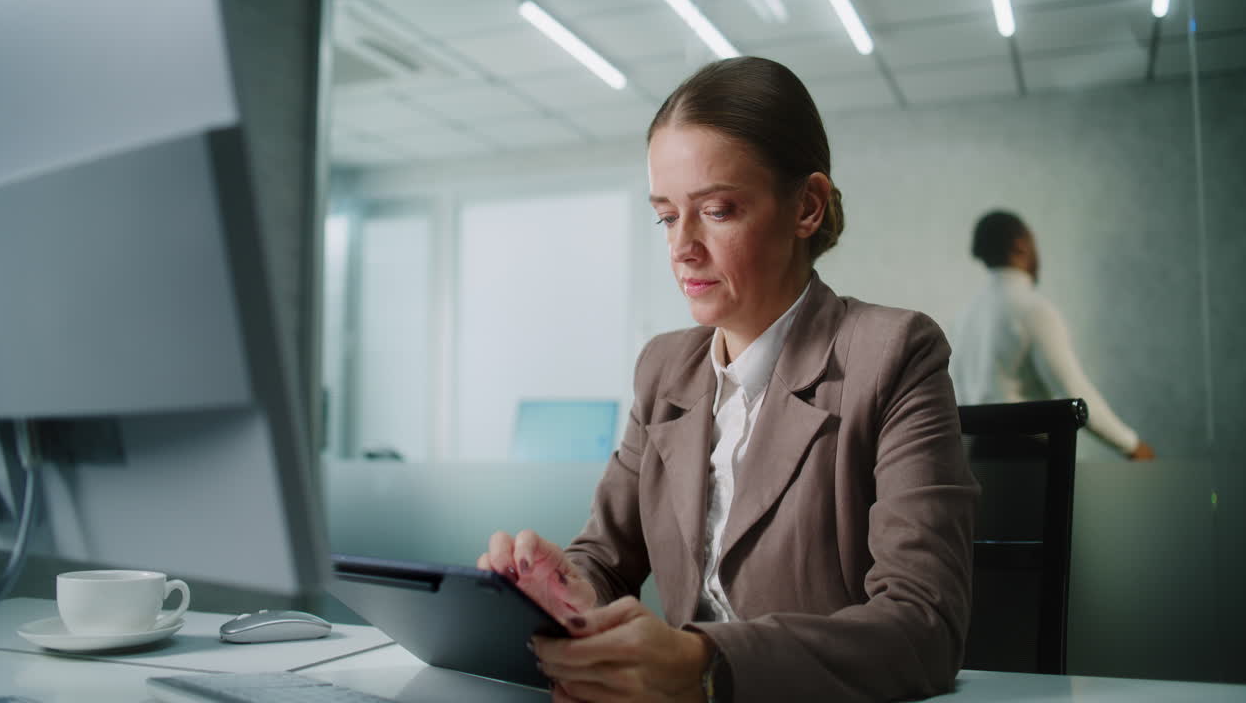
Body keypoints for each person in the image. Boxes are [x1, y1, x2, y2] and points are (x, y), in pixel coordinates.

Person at [478, 57, 979, 702]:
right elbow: (603, 557)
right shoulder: (663, 369)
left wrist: (705, 662)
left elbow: (924, 627)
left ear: (807, 206)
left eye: (715, 210)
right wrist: (564, 591)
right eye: (665, 215)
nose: (680, 246)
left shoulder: (895, 353)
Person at [949, 211, 1156, 460]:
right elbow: (1073, 393)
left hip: (975, 461)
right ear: (1021, 246)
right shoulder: (1033, 310)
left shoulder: (962, 318)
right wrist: (1132, 445)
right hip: (1026, 460)